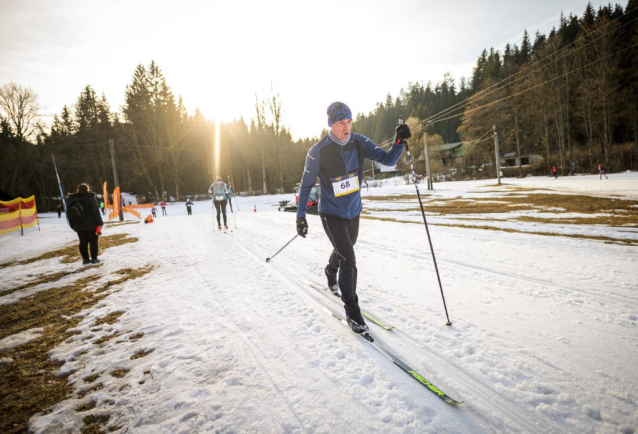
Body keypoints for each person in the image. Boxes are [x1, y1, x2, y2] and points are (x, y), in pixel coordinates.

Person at [296, 101, 409, 334]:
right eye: (341, 123)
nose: (346, 127)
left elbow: (388, 160)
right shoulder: (317, 152)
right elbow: (306, 186)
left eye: (349, 122)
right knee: (349, 259)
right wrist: (300, 217)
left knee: (344, 251)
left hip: (353, 211)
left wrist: (399, 142)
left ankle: (329, 270)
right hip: (331, 213)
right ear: (331, 125)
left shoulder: (360, 141)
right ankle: (353, 314)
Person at [66, 183, 104, 265]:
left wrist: (73, 225)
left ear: (78, 189)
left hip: (78, 224)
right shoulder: (90, 198)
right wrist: (100, 223)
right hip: (91, 225)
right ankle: (94, 258)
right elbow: (95, 212)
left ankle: (85, 259)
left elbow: (69, 214)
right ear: (88, 189)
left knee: (83, 242)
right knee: (93, 241)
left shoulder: (72, 199)